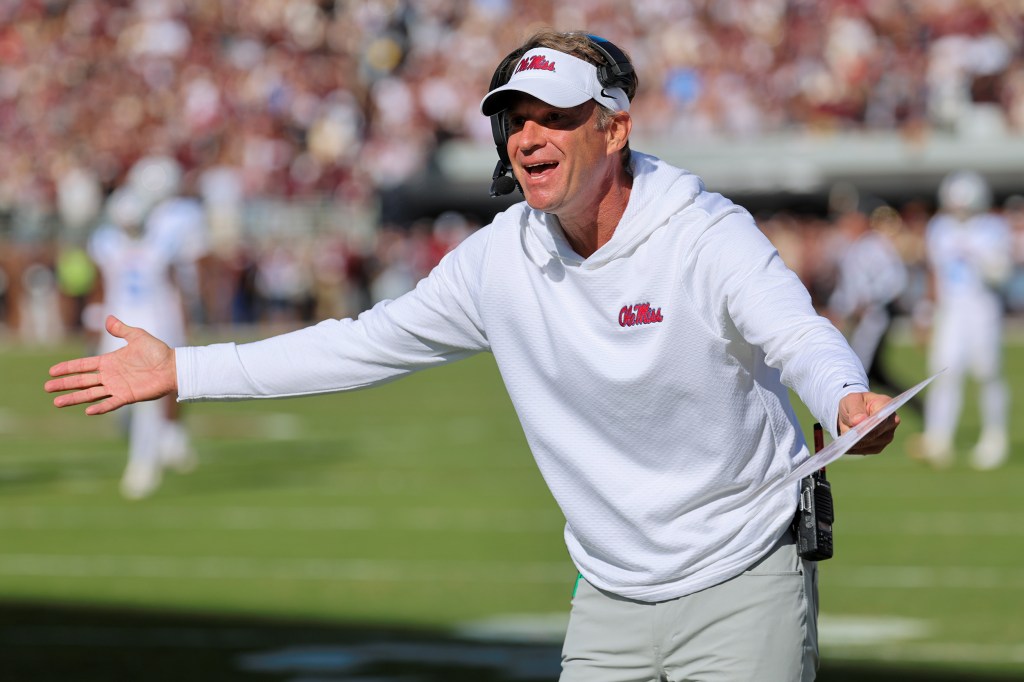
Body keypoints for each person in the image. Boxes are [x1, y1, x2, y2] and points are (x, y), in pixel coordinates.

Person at [46, 31, 900, 681]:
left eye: (555, 117)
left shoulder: (703, 231)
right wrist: (183, 370)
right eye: (513, 119)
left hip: (743, 573)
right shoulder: (500, 259)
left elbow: (797, 333)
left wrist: (844, 397)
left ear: (614, 130)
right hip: (609, 594)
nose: (528, 137)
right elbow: (359, 346)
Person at [86, 183, 200, 499]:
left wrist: (182, 325)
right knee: (116, 401)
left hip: (153, 327)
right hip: (115, 327)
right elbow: (99, 286)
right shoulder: (106, 243)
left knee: (146, 401)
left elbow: (175, 288)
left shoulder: (162, 244)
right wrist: (92, 324)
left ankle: (143, 464)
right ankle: (154, 446)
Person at [914, 170, 1012, 470]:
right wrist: (926, 311)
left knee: (987, 371)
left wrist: (989, 263)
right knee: (943, 371)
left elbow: (1002, 273)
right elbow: (934, 272)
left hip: (982, 306)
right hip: (951, 308)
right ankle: (938, 437)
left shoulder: (993, 227)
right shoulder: (940, 227)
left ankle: (995, 436)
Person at [824, 192, 918, 413]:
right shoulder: (852, 247)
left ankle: (858, 418)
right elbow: (848, 288)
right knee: (871, 372)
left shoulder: (875, 245)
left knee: (859, 369)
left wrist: (869, 300)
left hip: (874, 316)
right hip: (858, 318)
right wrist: (838, 309)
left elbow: (896, 279)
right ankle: (918, 407)